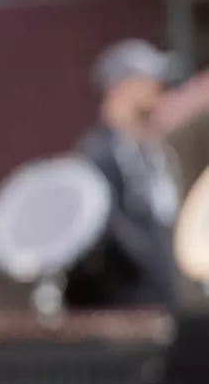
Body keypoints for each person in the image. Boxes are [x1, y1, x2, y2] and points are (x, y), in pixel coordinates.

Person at [72, 39, 185, 307]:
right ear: (119, 87)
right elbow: (114, 239)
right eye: (147, 80)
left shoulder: (154, 152)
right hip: (126, 317)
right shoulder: (97, 157)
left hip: (161, 306)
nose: (158, 88)